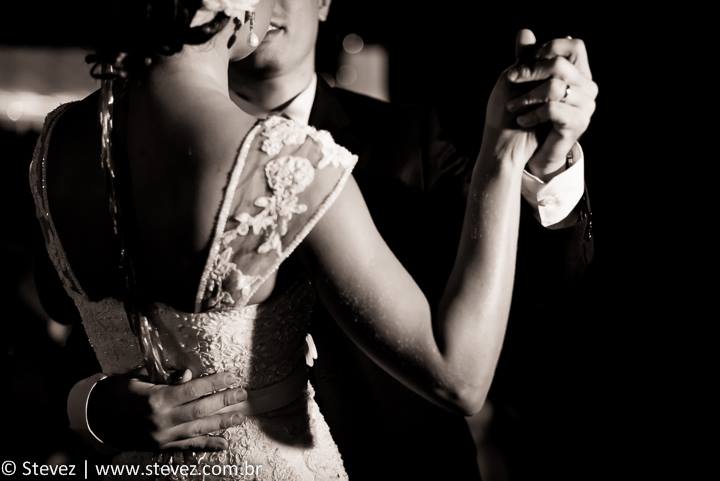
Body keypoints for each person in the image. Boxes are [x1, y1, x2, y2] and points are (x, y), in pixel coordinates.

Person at [29, 0, 574, 479]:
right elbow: (460, 378)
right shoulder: (291, 161)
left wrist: (547, 171)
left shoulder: (59, 143)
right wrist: (503, 154)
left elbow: (542, 290)